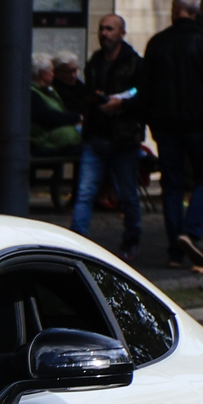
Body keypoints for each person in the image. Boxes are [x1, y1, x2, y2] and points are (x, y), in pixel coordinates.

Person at [139, 0, 203, 272]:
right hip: (198, 122)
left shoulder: (157, 43)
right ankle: (191, 232)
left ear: (174, 9)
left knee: (172, 184)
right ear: (197, 11)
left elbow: (146, 88)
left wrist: (149, 121)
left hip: (166, 124)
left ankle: (174, 250)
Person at [67, 13, 144, 256]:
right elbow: (87, 93)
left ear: (122, 33)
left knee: (128, 193)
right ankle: (76, 239)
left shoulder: (134, 63)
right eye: (102, 29)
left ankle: (132, 237)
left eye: (110, 29)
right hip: (97, 136)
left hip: (123, 138)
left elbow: (143, 97)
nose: (104, 33)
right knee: (85, 192)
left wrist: (120, 105)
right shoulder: (95, 62)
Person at [28, 54, 80, 155]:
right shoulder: (33, 94)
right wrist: (75, 117)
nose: (53, 75)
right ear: (43, 74)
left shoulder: (48, 91)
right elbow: (47, 117)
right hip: (46, 143)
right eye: (51, 71)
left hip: (58, 140)